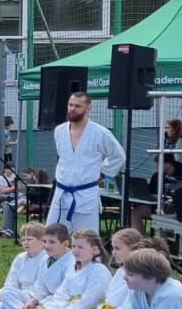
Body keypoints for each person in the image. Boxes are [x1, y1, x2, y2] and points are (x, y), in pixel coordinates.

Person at [51, 228, 145, 309]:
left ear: (133, 250)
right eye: (113, 248)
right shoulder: (120, 272)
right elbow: (107, 300)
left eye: (117, 249)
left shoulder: (137, 277)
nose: (113, 252)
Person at [48, 92, 125, 232]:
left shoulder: (100, 133)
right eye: (70, 105)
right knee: (51, 235)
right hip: (61, 193)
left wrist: (102, 171)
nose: (72, 108)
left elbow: (118, 156)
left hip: (85, 195)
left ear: (88, 109)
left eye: (78, 106)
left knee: (87, 239)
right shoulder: (59, 131)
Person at [24, 227, 108, 309]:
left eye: (80, 247)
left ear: (95, 250)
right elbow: (61, 294)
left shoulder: (99, 271)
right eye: (74, 246)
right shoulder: (74, 268)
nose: (76, 250)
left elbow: (86, 303)